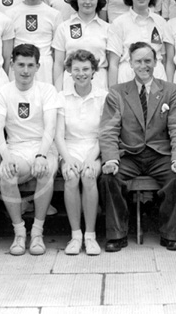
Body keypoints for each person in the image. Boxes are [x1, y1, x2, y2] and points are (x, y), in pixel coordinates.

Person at [99, 42, 176, 252]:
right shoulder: (117, 93)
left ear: (156, 62)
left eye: (148, 60)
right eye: (138, 61)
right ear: (130, 63)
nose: (144, 65)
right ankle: (117, 234)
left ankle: (171, 234)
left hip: (160, 154)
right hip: (129, 154)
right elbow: (109, 129)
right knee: (109, 177)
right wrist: (111, 159)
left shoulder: (170, 91)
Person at [0, 44, 62, 256]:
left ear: (38, 66)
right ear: (12, 64)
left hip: (43, 146)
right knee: (7, 174)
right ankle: (19, 232)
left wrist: (42, 155)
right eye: (20, 64)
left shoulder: (47, 90)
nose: (25, 70)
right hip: (16, 148)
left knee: (46, 170)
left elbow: (50, 127)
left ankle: (38, 232)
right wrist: (6, 157)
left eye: (30, 65)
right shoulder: (2, 92)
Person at [55, 50, 107, 255]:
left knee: (88, 175)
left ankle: (90, 236)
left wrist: (90, 159)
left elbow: (104, 134)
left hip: (95, 149)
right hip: (69, 148)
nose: (81, 73)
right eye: (76, 69)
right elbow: (58, 135)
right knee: (70, 176)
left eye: (86, 69)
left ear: (94, 70)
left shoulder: (103, 96)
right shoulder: (62, 96)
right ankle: (75, 236)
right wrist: (67, 160)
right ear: (69, 70)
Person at [107, 0, 173, 86]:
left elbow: (166, 59)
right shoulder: (119, 23)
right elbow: (113, 63)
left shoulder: (161, 22)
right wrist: (113, 94)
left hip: (156, 78)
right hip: (128, 78)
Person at [8, 0, 62, 84]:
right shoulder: (10, 14)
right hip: (20, 67)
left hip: (44, 69)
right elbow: (8, 50)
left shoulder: (54, 14)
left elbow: (57, 53)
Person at [52, 0, 110, 91]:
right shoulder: (64, 28)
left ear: (98, 0)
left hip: (99, 83)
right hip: (70, 83)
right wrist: (58, 92)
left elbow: (111, 64)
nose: (87, 2)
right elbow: (58, 64)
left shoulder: (107, 29)